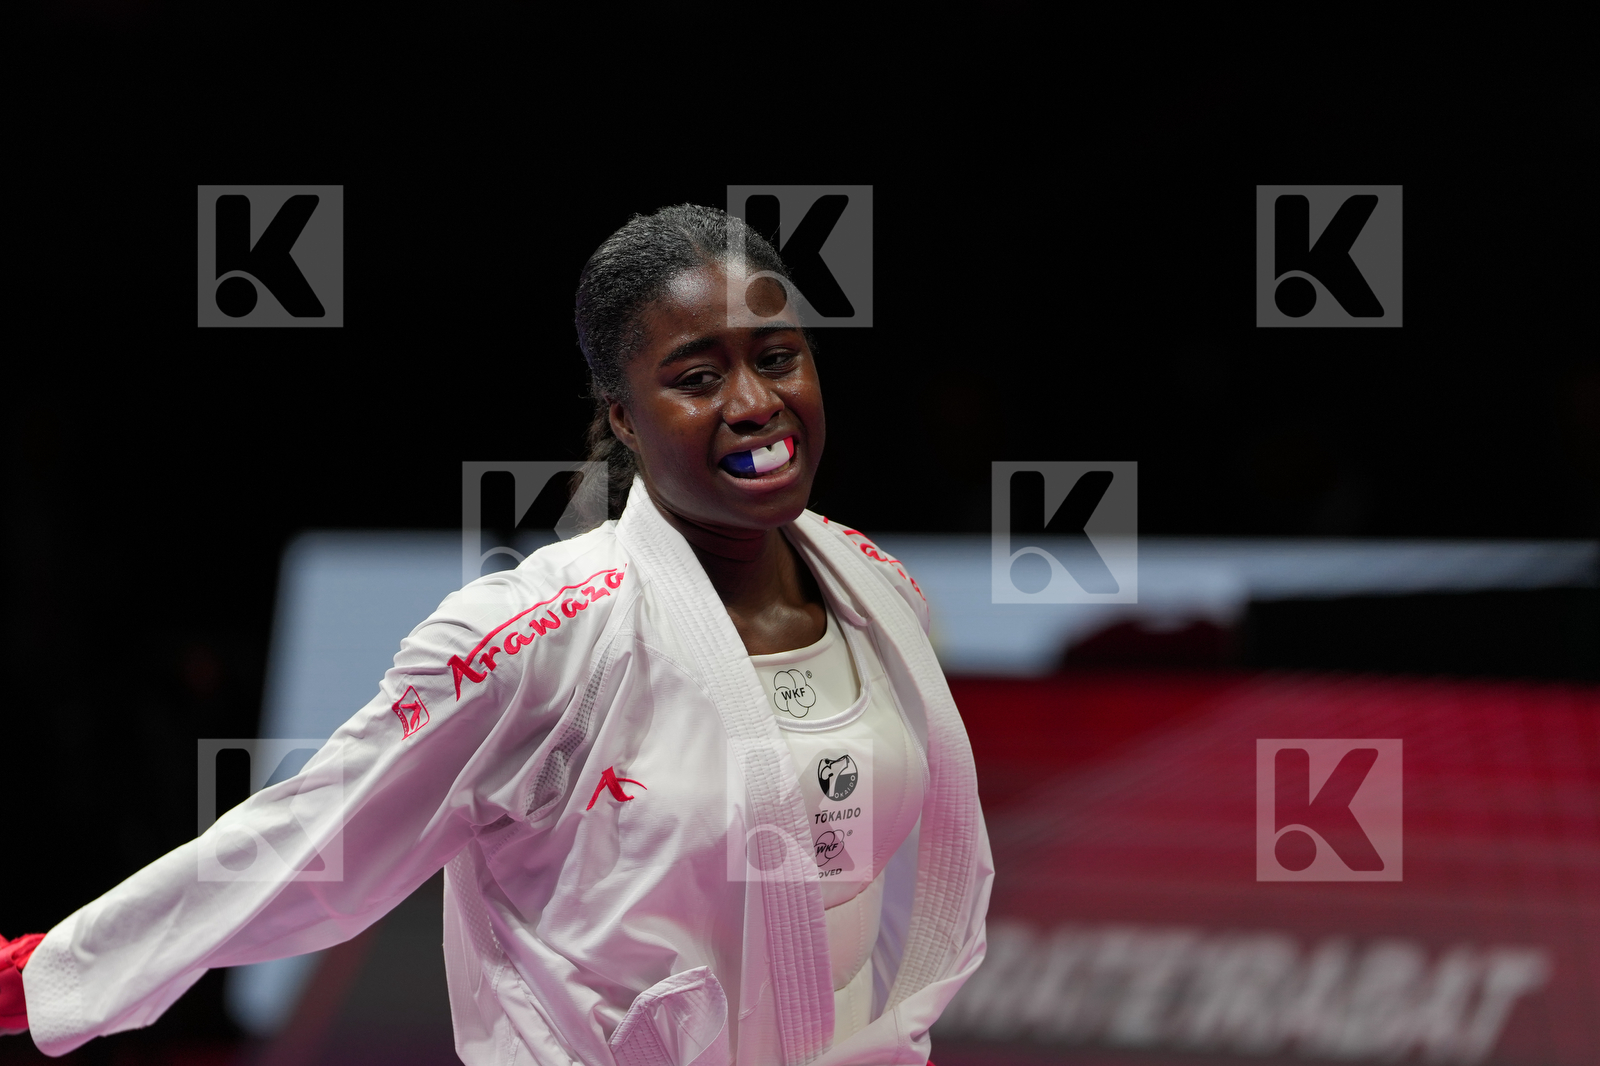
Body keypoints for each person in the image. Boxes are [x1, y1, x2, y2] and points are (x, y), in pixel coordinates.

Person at [2, 204, 992, 1065]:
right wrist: (39, 973)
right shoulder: (542, 633)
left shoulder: (880, 591)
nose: (753, 403)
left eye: (777, 357)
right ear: (626, 418)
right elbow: (309, 839)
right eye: (696, 377)